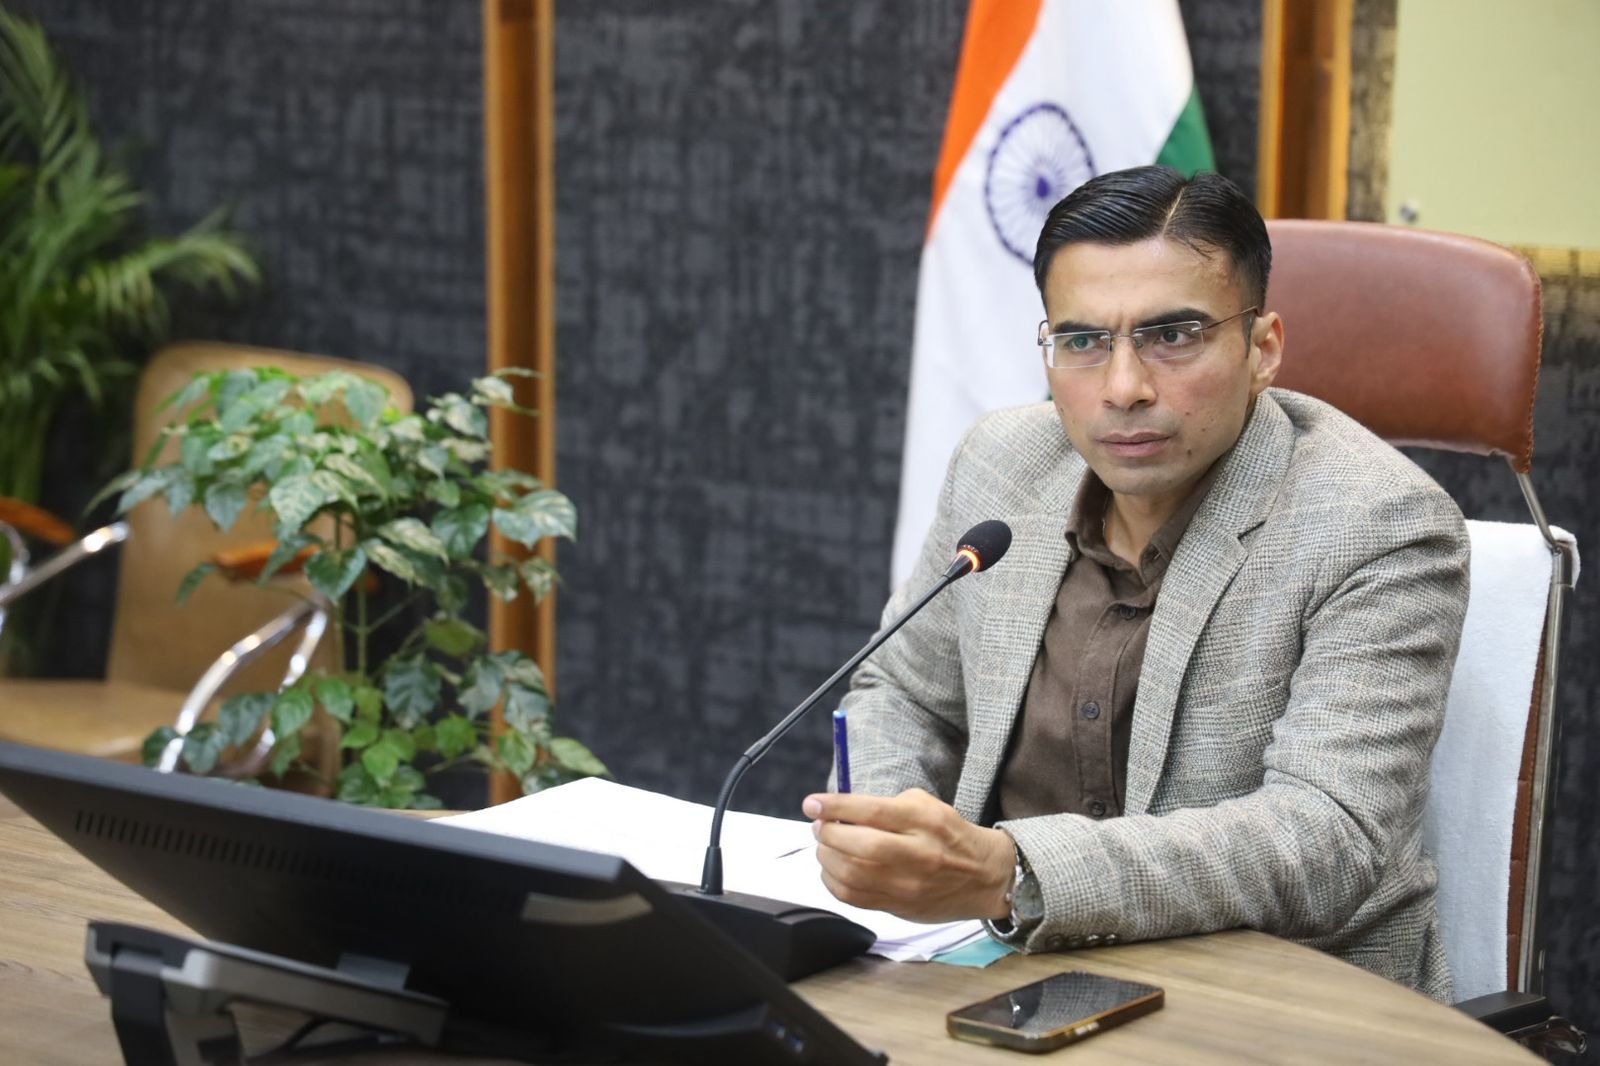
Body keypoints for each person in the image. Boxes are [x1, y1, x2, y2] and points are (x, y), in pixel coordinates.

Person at [803, 165, 1469, 999]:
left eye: (1173, 335)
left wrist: (1010, 873)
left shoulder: (1378, 522)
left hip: (1274, 1002)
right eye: (1083, 341)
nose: (1123, 389)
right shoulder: (1002, 465)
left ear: (1262, 349)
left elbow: (1326, 836)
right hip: (998, 969)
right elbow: (902, 691)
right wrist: (895, 837)